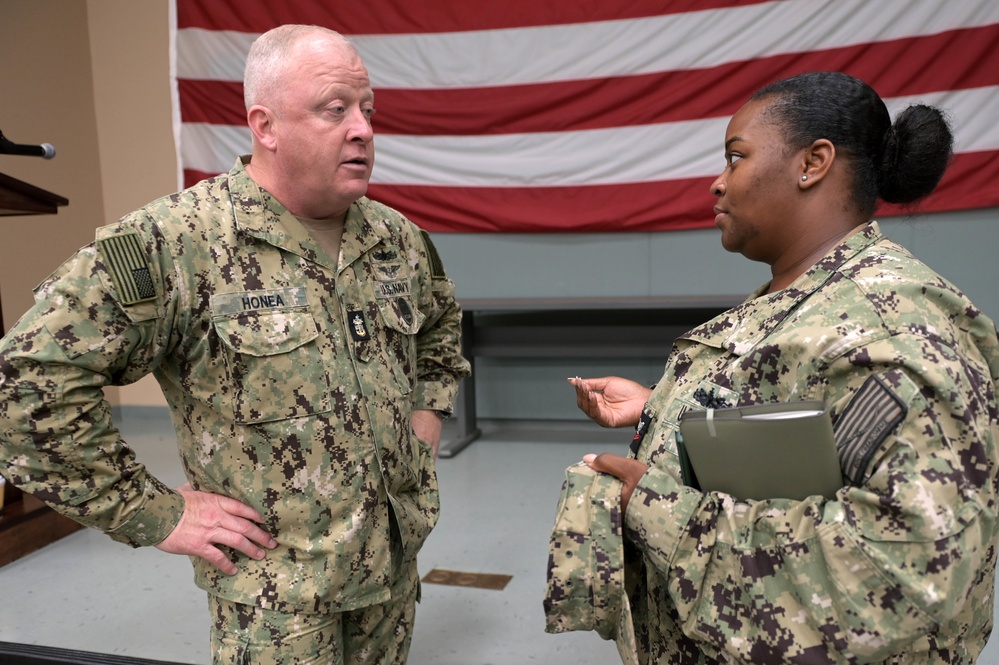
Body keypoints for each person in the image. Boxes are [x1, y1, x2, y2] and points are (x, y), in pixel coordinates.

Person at [0, 24, 469, 664]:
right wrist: (152, 511)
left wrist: (425, 420)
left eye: (367, 110)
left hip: (391, 566)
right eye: (336, 109)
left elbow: (440, 326)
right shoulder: (176, 243)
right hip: (277, 598)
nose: (362, 128)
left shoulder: (397, 239)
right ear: (265, 125)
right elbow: (25, 387)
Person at [567, 71, 999, 664]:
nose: (718, 184)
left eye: (736, 157)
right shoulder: (810, 298)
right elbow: (813, 428)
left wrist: (654, 509)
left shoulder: (891, 328)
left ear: (812, 163)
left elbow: (909, 576)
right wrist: (665, 411)